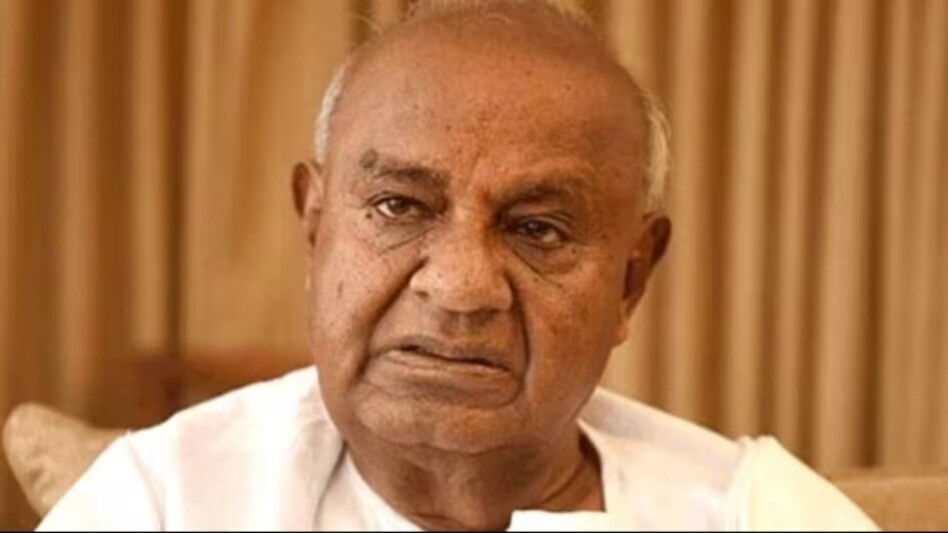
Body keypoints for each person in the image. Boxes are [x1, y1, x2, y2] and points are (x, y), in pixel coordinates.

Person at [39, 0, 877, 530]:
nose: (461, 287)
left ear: (631, 280)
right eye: (399, 207)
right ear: (315, 228)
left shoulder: (753, 512)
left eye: (538, 228)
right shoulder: (163, 500)